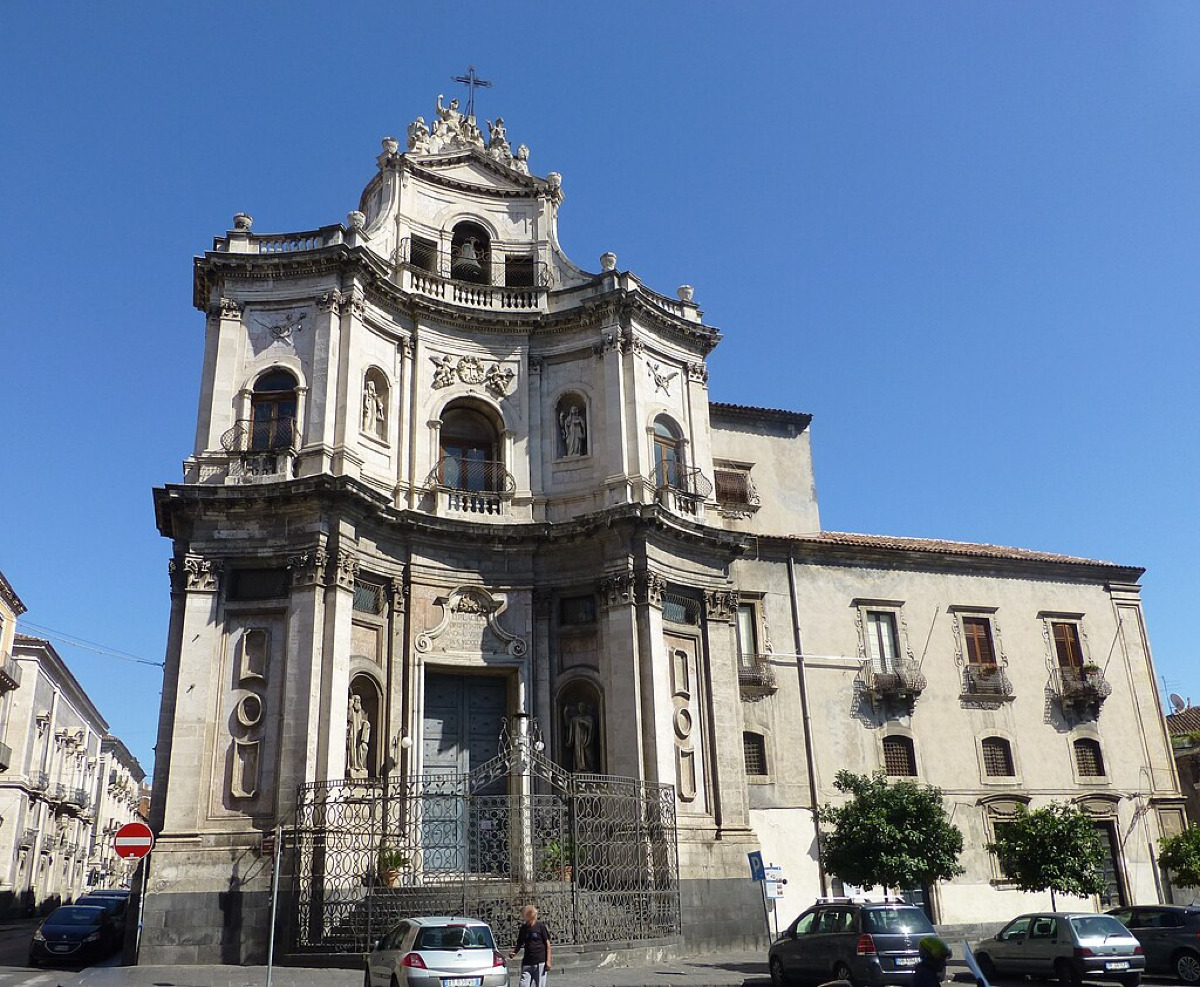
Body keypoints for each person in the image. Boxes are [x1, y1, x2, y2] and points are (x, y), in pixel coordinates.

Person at [509, 903, 552, 986]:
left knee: (540, 984)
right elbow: (520, 942)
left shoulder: (541, 927)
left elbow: (548, 944)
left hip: (540, 962)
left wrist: (548, 961)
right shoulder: (523, 928)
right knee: (523, 984)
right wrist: (514, 952)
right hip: (527, 962)